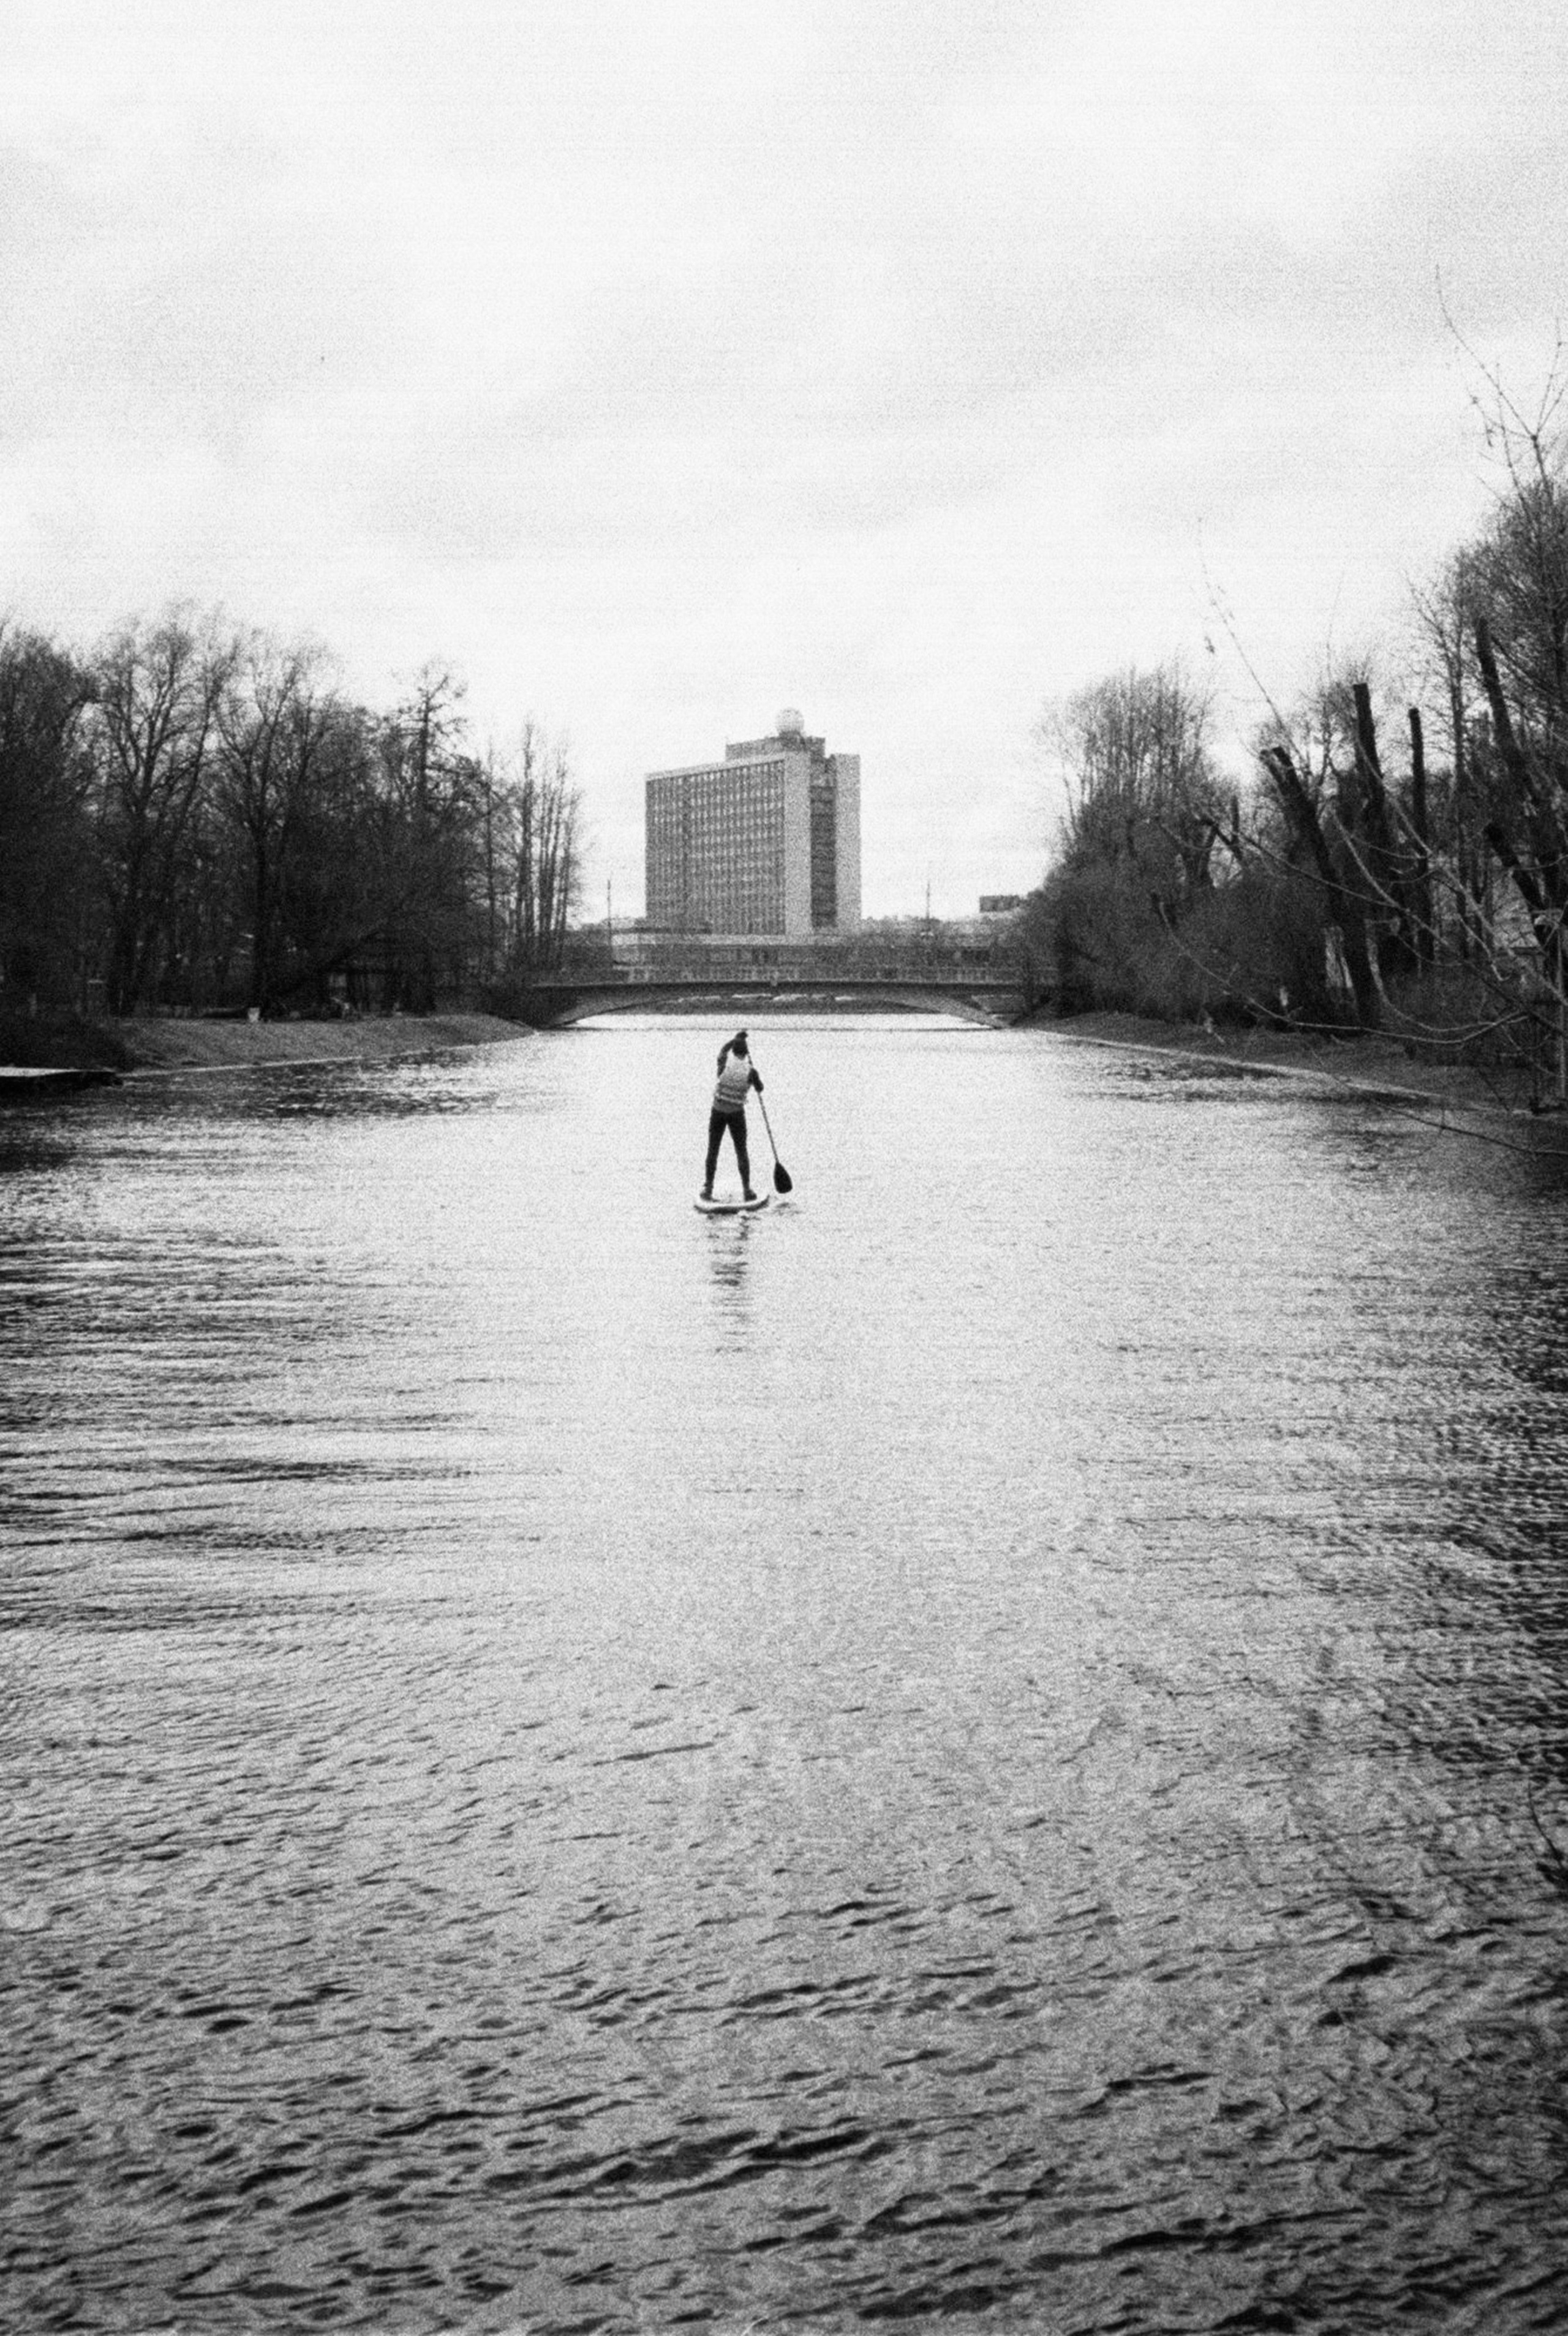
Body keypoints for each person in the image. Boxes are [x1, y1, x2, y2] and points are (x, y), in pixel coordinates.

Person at [701, 1030, 763, 1200]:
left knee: (713, 1150)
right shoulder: (751, 1071)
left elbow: (722, 1052)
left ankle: (708, 1189)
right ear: (746, 1053)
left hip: (718, 1112)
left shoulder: (723, 1065)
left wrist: (733, 1040)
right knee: (741, 1151)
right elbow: (760, 1088)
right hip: (736, 1114)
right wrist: (755, 1081)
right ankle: (747, 1190)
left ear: (733, 1051)